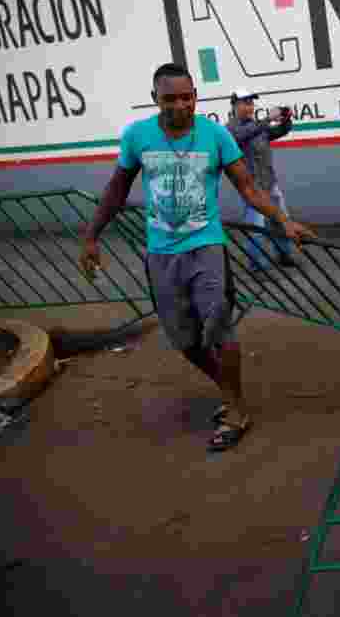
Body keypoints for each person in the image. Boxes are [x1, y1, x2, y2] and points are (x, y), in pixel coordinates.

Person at [79, 63, 316, 451]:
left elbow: (248, 188)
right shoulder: (138, 137)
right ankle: (228, 391)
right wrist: (91, 236)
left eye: (187, 97)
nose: (180, 105)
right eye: (170, 98)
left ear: (195, 97)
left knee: (219, 329)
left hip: (207, 247)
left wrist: (283, 221)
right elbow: (116, 189)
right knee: (185, 340)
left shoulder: (215, 135)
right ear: (155, 98)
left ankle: (237, 409)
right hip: (161, 254)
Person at [226, 89, 297, 275]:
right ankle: (257, 266)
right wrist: (267, 119)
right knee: (257, 229)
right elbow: (243, 135)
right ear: (234, 105)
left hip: (270, 184)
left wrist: (286, 119)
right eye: (245, 102)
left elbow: (279, 131)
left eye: (251, 102)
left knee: (281, 222)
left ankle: (284, 255)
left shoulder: (257, 126)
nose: (250, 106)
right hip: (252, 189)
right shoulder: (230, 128)